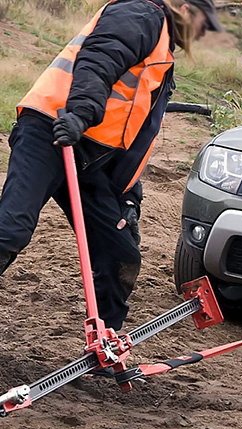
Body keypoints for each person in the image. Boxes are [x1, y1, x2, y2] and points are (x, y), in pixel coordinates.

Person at [0, 0, 222, 331]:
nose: (201, 34)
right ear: (184, 8)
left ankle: (104, 345)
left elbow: (131, 133)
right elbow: (99, 60)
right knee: (10, 231)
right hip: (51, 129)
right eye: (202, 24)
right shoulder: (141, 14)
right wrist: (79, 114)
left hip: (89, 157)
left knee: (120, 256)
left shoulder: (162, 49)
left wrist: (130, 195)